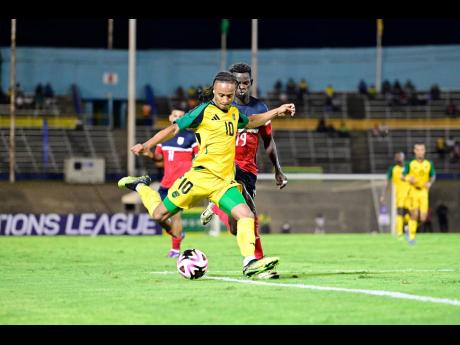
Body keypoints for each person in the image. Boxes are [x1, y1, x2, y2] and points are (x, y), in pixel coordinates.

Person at [118, 71, 296, 278]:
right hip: (198, 179)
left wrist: (277, 111)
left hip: (223, 183)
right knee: (158, 215)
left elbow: (252, 121)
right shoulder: (202, 111)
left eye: (229, 96)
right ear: (214, 91)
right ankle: (141, 186)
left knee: (246, 216)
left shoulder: (234, 113)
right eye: (221, 95)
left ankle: (250, 262)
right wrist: (146, 144)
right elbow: (174, 129)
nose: (225, 99)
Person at [198, 63, 288, 279]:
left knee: (236, 227)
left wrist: (278, 169)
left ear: (251, 83)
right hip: (226, 168)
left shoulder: (260, 109)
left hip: (248, 171)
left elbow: (268, 141)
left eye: (245, 83)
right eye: (237, 83)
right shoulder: (219, 108)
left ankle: (217, 208)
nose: (241, 87)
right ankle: (256, 265)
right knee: (252, 215)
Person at [141, 109, 198, 258]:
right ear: (170, 117)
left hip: (181, 184)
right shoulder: (164, 137)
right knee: (156, 216)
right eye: (175, 115)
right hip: (165, 183)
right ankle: (175, 233)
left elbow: (198, 157)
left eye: (180, 116)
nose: (177, 118)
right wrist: (150, 154)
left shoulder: (190, 137)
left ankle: (175, 250)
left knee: (176, 216)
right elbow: (159, 158)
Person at [401, 143, 436, 245]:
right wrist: (408, 178)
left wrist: (429, 182)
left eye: (422, 150)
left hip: (424, 192)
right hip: (413, 191)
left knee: (423, 218)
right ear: (414, 151)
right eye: (418, 150)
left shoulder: (429, 164)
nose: (420, 152)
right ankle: (411, 237)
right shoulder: (410, 164)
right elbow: (402, 176)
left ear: (424, 151)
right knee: (415, 214)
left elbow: (433, 176)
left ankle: (408, 226)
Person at [380, 152, 411, 240]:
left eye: (399, 157)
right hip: (399, 195)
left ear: (403, 157)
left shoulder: (409, 167)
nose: (398, 158)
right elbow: (387, 182)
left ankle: (407, 230)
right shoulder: (392, 169)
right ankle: (399, 233)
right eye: (396, 157)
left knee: (408, 214)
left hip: (410, 194)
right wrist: (383, 194)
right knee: (399, 213)